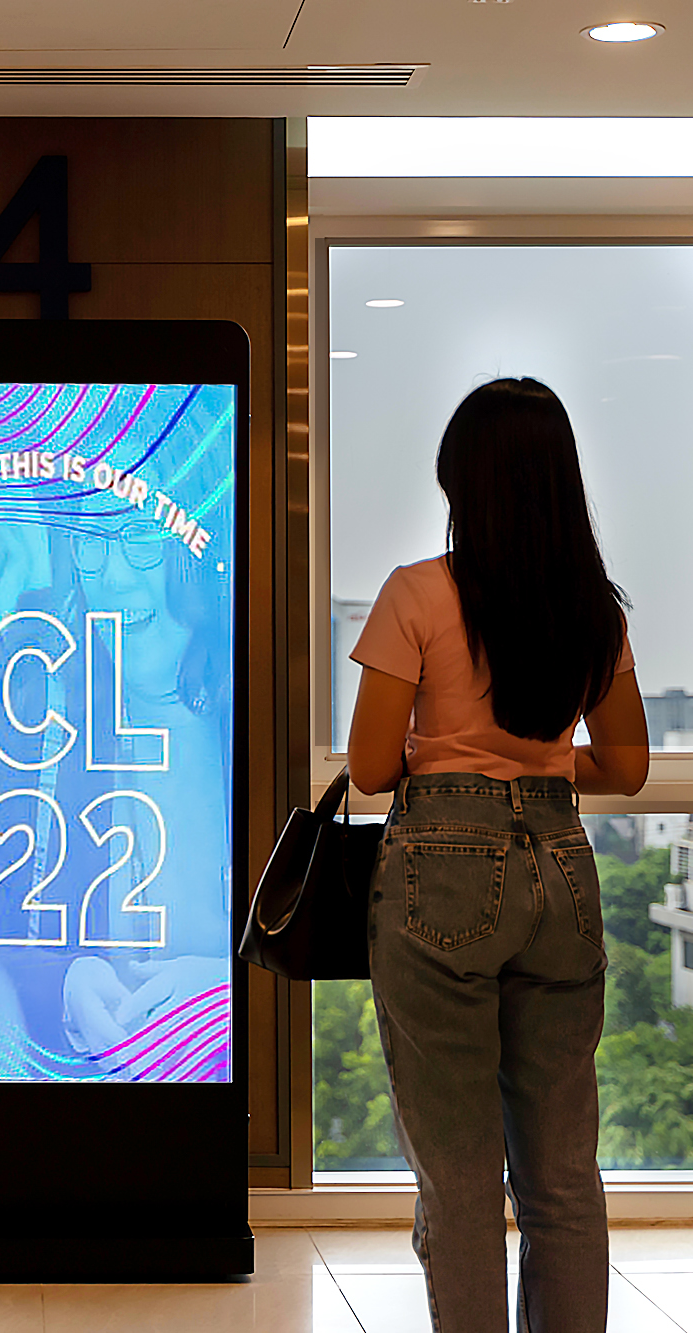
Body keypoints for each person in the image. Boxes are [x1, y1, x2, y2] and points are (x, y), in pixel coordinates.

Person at [346, 377, 649, 1333]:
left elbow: (366, 767)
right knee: (561, 1173)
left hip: (440, 867)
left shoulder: (417, 593)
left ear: (460, 480)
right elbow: (631, 766)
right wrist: (544, 767)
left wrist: (456, 767)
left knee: (463, 1177)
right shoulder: (592, 610)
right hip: (560, 864)